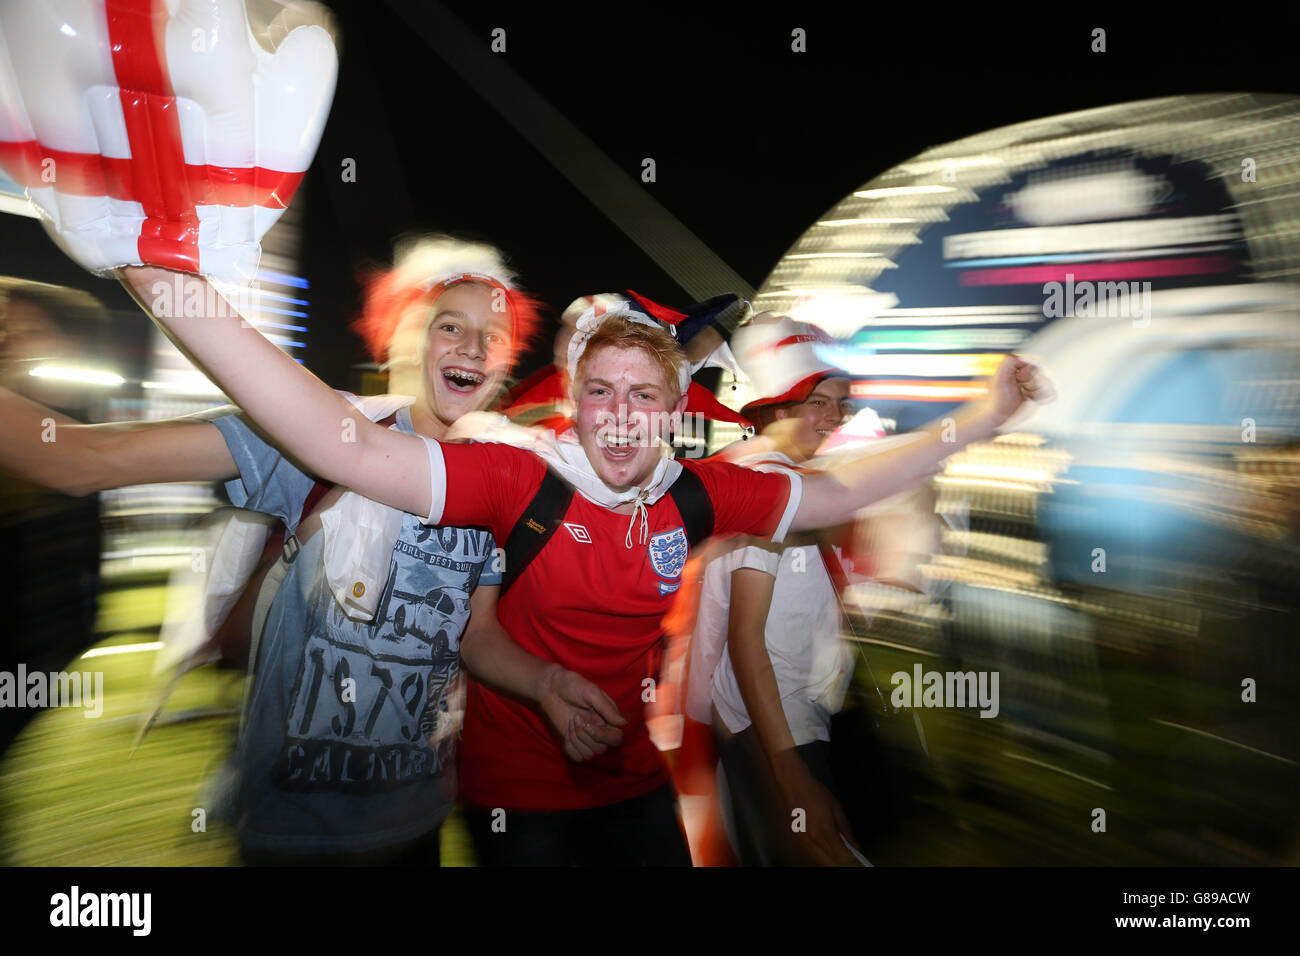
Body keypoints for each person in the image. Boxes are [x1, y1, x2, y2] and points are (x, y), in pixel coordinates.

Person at [128, 265, 1050, 865]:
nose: (618, 416)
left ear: (672, 409)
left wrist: (982, 419)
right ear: (572, 399)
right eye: (599, 392)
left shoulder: (696, 496)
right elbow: (345, 446)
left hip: (634, 781)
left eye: (643, 396)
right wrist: (162, 274)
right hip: (515, 796)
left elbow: (841, 493)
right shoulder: (519, 475)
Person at [0, 238, 625, 865]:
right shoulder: (316, 433)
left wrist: (544, 682)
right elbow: (79, 458)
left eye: (493, 336)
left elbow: (475, 634)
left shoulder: (497, 478)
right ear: (410, 339)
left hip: (417, 822)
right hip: (291, 833)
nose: (472, 347)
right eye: (450, 325)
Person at [689, 312, 862, 866]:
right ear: (777, 407)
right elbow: (746, 637)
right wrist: (790, 775)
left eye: (841, 403)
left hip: (781, 720)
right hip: (774, 724)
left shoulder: (773, 474)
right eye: (820, 402)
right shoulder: (768, 483)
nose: (836, 418)